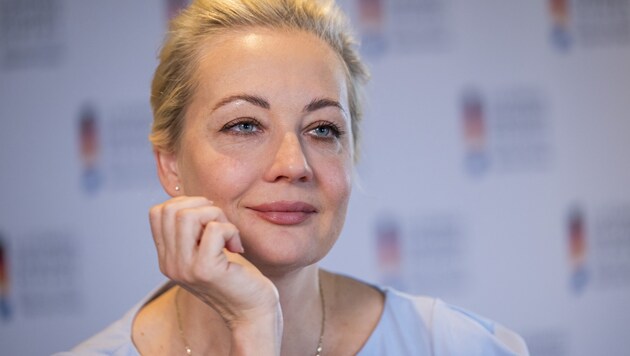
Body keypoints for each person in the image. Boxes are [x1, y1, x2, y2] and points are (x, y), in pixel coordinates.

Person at [57, 0, 529, 355]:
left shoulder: (457, 346)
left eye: (323, 129)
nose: (295, 163)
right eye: (244, 125)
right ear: (171, 163)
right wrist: (254, 322)